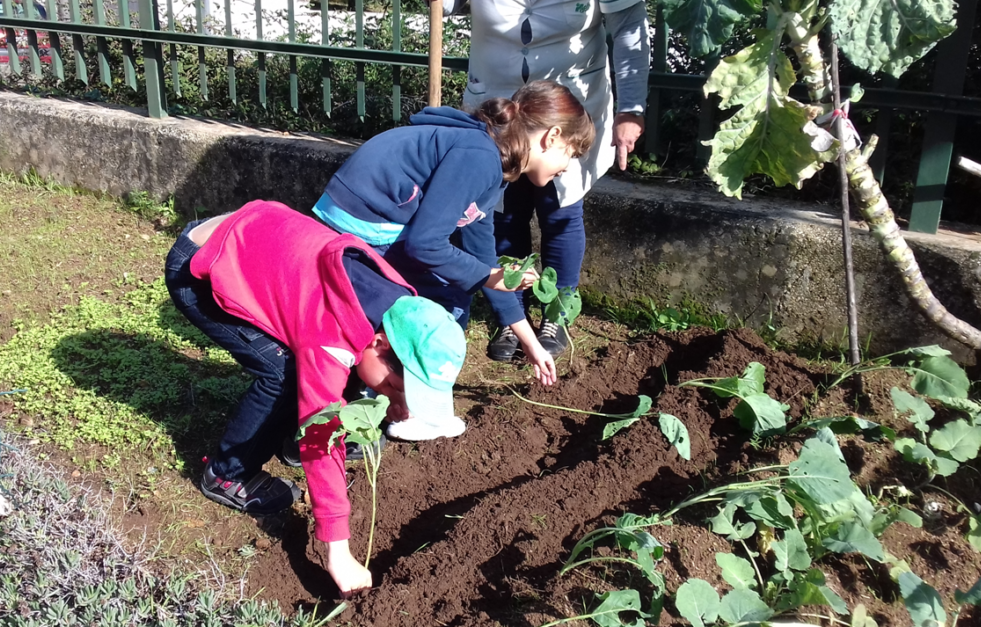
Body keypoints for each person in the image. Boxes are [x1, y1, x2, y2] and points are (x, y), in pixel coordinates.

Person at [164, 199, 468, 598]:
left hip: (252, 239)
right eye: (396, 387)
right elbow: (320, 437)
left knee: (319, 374)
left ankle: (279, 439)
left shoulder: (401, 306)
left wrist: (396, 397)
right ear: (379, 343)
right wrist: (337, 553)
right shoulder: (330, 335)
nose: (394, 397)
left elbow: (365, 368)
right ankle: (227, 474)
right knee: (285, 375)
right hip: (200, 263)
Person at [312, 81, 595, 429]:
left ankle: (388, 391)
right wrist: (486, 276)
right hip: (361, 227)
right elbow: (425, 245)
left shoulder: (495, 161)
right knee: (444, 305)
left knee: (452, 294)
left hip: (371, 222)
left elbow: (482, 257)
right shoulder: (480, 157)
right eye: (571, 152)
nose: (567, 166)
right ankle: (377, 395)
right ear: (552, 136)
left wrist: (529, 341)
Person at [440, 0, 652, 361]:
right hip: (497, 106)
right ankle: (511, 312)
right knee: (503, 214)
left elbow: (630, 26)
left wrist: (631, 108)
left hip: (566, 112)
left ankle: (556, 312)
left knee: (560, 212)